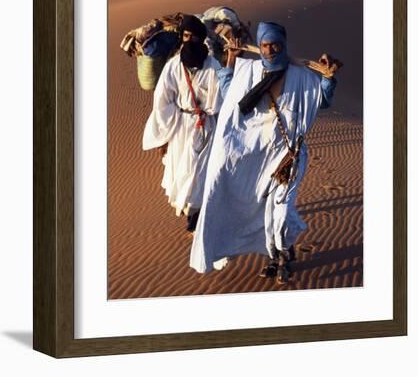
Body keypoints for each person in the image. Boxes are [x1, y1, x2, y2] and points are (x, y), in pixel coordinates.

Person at [190, 21, 339, 282]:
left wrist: (327, 77)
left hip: (287, 158)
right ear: (259, 46)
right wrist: (230, 60)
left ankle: (281, 256)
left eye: (275, 44)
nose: (270, 50)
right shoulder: (249, 71)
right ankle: (276, 255)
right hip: (255, 158)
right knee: (263, 211)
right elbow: (230, 95)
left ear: (284, 44)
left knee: (280, 212)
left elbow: (322, 100)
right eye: (265, 45)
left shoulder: (302, 75)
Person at [143, 15, 223, 232]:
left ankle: (197, 214)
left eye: (195, 37)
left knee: (201, 170)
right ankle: (191, 211)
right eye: (187, 36)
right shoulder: (173, 66)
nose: (190, 41)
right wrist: (164, 136)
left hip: (206, 126)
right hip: (181, 126)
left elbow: (220, 101)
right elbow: (162, 101)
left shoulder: (213, 65)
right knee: (181, 169)